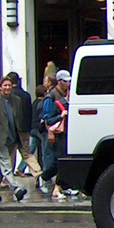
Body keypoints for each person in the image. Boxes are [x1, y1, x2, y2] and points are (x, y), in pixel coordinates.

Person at [0, 77, 27, 202]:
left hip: (12, 138)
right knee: (7, 164)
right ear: (0, 87)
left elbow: (18, 118)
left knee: (1, 166)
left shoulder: (16, 100)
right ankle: (16, 188)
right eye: (5, 85)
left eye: (9, 85)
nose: (7, 88)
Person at [39, 69, 71, 201]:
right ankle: (44, 177)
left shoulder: (66, 94)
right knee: (57, 161)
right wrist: (59, 116)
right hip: (55, 133)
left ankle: (63, 185)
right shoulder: (51, 97)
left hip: (64, 132)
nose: (68, 83)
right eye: (66, 81)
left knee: (63, 160)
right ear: (59, 82)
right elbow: (47, 118)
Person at [5, 71, 44, 180]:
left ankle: (6, 178)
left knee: (10, 155)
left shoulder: (9, 96)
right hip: (24, 130)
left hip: (11, 130)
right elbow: (29, 112)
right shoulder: (26, 95)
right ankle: (37, 172)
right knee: (26, 153)